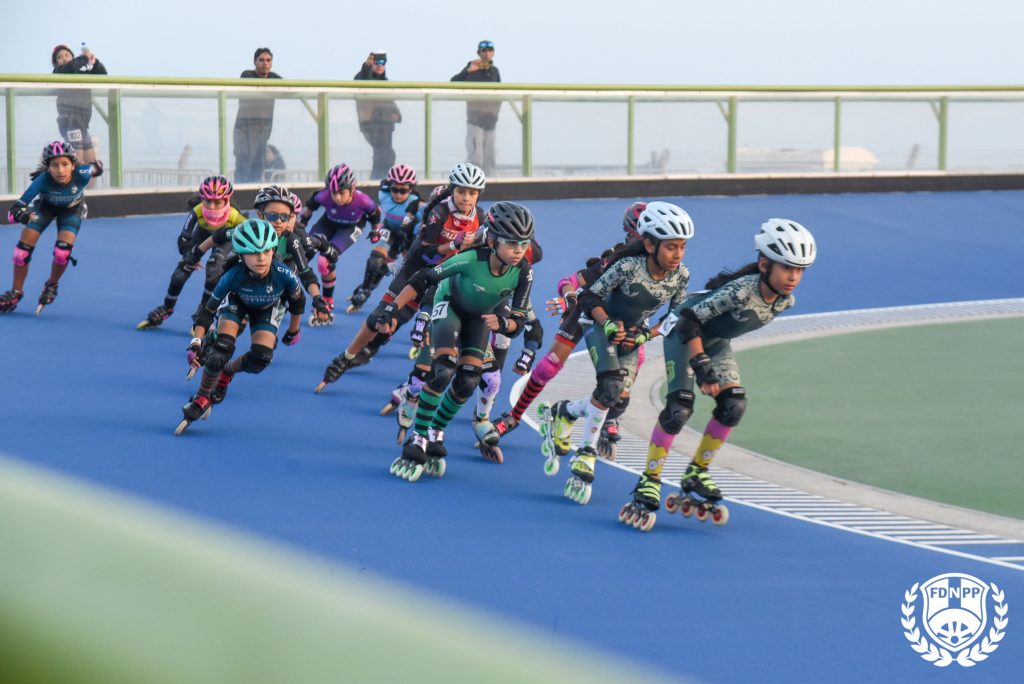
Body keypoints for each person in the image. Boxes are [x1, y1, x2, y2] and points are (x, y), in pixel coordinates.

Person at [619, 219, 817, 532]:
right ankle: (650, 479)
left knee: (733, 405)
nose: (794, 277)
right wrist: (701, 365)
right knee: (679, 409)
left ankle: (697, 471)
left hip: (715, 342)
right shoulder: (742, 291)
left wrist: (710, 364)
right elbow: (688, 320)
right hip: (685, 335)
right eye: (787, 268)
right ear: (764, 265)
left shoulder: (784, 301)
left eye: (800, 270)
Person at [543, 202, 694, 506]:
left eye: (682, 247)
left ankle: (564, 412)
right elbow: (590, 296)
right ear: (649, 245)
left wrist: (646, 334)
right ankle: (586, 454)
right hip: (600, 324)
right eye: (671, 247)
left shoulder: (681, 276)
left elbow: (674, 316)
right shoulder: (627, 267)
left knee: (618, 400)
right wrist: (609, 323)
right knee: (610, 386)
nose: (678, 254)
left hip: (633, 334)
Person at [379, 202, 535, 482]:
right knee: (442, 371)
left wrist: (503, 324)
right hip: (449, 305)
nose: (519, 250)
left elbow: (518, 323)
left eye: (524, 244)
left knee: (469, 381)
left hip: (479, 318)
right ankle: (418, 436)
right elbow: (423, 278)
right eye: (512, 243)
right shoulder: (471, 258)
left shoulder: (523, 271)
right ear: (492, 241)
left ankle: (436, 430)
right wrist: (391, 309)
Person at [489, 202, 648, 449]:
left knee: (632, 366)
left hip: (622, 320)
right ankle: (514, 416)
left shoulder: (667, 269)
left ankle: (604, 416)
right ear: (632, 235)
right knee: (548, 367)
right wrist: (569, 299)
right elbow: (569, 281)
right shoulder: (617, 260)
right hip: (590, 311)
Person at [314, 162, 485, 390]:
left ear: (479, 194)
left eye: (472, 193)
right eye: (461, 191)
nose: (466, 198)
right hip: (415, 269)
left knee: (417, 323)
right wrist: (453, 245)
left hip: (444, 277)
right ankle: (344, 358)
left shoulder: (479, 216)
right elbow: (425, 253)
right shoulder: (439, 213)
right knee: (381, 317)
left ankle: (379, 357)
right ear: (452, 190)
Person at [176, 219, 306, 435]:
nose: (261, 258)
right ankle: (201, 397)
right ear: (241, 255)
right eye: (253, 253)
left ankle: (227, 372)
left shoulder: (285, 275)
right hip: (237, 303)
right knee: (220, 352)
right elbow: (207, 312)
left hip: (267, 308)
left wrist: (294, 329)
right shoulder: (231, 276)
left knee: (261, 358)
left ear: (274, 251)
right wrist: (196, 342)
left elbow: (298, 303)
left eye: (266, 251)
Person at [1, 141, 103, 314]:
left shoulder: (83, 174)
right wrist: (23, 216)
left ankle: (52, 284)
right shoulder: (42, 180)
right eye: (55, 165)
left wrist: (96, 166)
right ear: (48, 168)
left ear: (73, 165)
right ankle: (15, 292)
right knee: (20, 253)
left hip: (72, 210)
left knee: (62, 253)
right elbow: (13, 212)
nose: (60, 170)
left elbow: (97, 167)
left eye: (65, 164)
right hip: (45, 208)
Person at [137, 175, 247, 329]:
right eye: (208, 201)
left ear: (227, 200)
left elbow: (251, 231)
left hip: (224, 236)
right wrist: (189, 256)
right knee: (181, 271)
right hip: (203, 232)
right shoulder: (197, 211)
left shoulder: (234, 215)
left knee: (214, 270)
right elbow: (183, 241)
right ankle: (167, 307)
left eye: (217, 202)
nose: (212, 207)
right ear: (202, 199)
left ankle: (204, 312)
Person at [298, 163, 380, 312]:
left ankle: (327, 300)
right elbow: (311, 205)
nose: (336, 197)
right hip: (328, 223)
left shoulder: (363, 201)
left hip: (351, 227)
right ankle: (283, 294)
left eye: (341, 192)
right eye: (333, 193)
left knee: (325, 261)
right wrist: (303, 222)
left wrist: (375, 231)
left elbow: (375, 215)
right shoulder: (323, 195)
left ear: (352, 188)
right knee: (301, 254)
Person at [345, 163, 423, 315]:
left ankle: (366, 287)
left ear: (411, 189)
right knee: (375, 260)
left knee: (385, 268)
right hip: (389, 229)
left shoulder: (417, 204)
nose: (398, 194)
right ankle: (364, 291)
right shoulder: (383, 194)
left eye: (403, 190)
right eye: (395, 189)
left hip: (407, 237)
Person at [51, 44, 107, 167]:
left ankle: (87, 180)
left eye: (67, 55)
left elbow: (103, 74)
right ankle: (73, 180)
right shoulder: (58, 71)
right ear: (55, 63)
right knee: (78, 162)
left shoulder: (80, 71)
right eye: (60, 57)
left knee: (92, 163)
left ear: (72, 56)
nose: (64, 58)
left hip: (82, 124)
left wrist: (93, 61)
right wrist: (84, 58)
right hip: (69, 122)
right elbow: (71, 67)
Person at [451, 41, 501, 176]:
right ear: (478, 53)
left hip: (490, 120)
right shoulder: (472, 68)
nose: (487, 53)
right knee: (476, 157)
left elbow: (499, 93)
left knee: (489, 156)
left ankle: (490, 182)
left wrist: (496, 114)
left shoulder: (494, 71)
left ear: (493, 52)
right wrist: (468, 71)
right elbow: (453, 82)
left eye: (490, 50)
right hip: (475, 120)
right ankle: (470, 181)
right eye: (484, 51)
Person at [234, 48, 281, 183]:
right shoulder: (247, 75)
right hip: (244, 130)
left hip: (263, 130)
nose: (265, 63)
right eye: (261, 60)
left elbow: (287, 85)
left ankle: (254, 194)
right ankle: (240, 192)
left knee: (258, 166)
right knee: (243, 164)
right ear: (254, 62)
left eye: (268, 60)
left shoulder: (274, 79)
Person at [355, 52, 402, 179]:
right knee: (384, 153)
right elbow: (363, 81)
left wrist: (396, 115)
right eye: (377, 63)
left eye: (383, 63)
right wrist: (366, 66)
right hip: (371, 123)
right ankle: (378, 179)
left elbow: (391, 103)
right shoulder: (363, 77)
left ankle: (382, 179)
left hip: (386, 125)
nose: (380, 66)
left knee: (386, 154)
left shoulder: (384, 82)